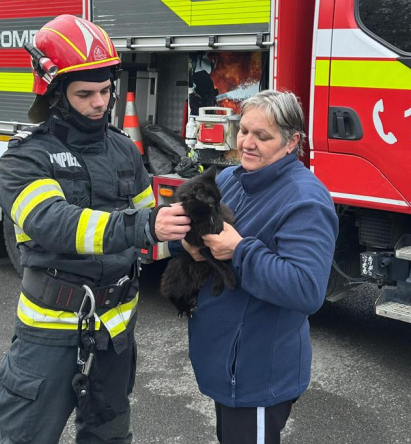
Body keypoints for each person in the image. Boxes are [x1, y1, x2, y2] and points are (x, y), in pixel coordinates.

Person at [0, 15, 190, 444]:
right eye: (85, 94)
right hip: (50, 333)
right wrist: (143, 225)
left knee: (109, 436)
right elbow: (54, 224)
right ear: (55, 94)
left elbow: (149, 229)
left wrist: (189, 236)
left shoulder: (123, 148)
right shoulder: (25, 160)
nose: (100, 103)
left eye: (105, 91)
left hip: (115, 333)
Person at [180, 90, 339, 444]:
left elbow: (305, 288)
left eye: (262, 136)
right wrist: (191, 246)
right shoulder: (230, 180)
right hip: (226, 361)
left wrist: (238, 250)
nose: (247, 144)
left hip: (256, 371)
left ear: (291, 142)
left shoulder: (305, 201)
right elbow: (207, 238)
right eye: (244, 131)